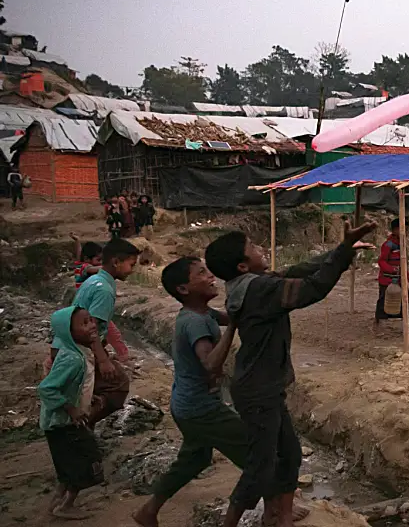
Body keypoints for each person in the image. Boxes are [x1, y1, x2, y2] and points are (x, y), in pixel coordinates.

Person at [205, 220, 376, 527]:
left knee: (290, 454)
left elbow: (297, 270)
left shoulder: (248, 285)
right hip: (258, 391)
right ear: (243, 265)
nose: (261, 249)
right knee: (261, 466)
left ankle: (281, 517)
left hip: (263, 387)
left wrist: (342, 249)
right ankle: (231, 522)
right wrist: (340, 255)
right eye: (254, 248)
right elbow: (312, 288)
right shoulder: (259, 290)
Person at [133, 257, 280, 527]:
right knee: (258, 452)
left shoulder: (202, 313)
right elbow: (210, 363)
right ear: (184, 289)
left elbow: (231, 316)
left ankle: (149, 511)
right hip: (201, 409)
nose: (211, 276)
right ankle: (276, 510)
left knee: (193, 460)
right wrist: (234, 327)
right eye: (202, 273)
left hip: (187, 405)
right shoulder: (195, 322)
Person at [50, 238, 138, 427]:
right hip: (75, 349)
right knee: (118, 385)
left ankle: (81, 421)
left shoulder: (96, 281)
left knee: (91, 390)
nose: (133, 270)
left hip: (67, 345)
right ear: (116, 262)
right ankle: (77, 426)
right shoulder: (104, 289)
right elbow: (93, 329)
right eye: (131, 264)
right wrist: (104, 360)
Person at [39, 306, 103, 520]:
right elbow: (47, 388)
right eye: (84, 324)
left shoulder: (79, 353)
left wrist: (86, 398)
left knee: (68, 462)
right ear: (68, 333)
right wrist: (71, 408)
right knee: (86, 459)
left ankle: (57, 500)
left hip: (65, 423)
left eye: (91, 320)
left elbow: (74, 385)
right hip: (63, 424)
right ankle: (66, 506)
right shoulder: (72, 359)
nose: (92, 325)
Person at [375, 218, 409, 333]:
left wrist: (408, 276)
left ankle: (407, 326)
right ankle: (378, 323)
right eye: (403, 229)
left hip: (400, 280)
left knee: (405, 301)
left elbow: (402, 263)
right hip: (387, 279)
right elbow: (381, 261)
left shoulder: (402, 245)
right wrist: (393, 269)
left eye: (406, 229)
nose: (405, 232)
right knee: (383, 301)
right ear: (395, 230)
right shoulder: (388, 245)